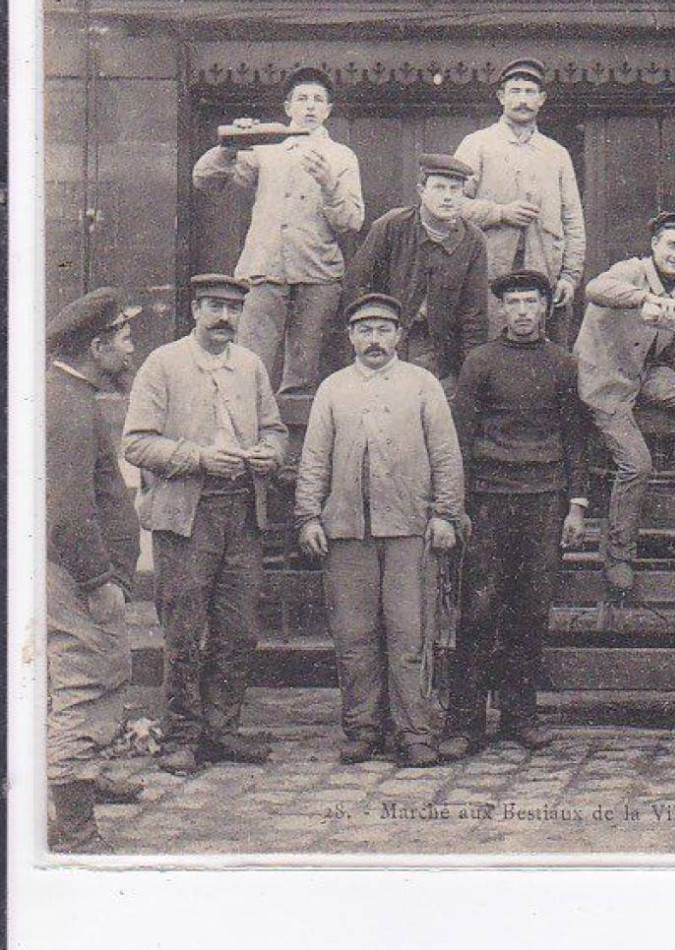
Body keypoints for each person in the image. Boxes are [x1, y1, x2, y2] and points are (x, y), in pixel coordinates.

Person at [122, 275, 288, 776]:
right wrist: (197, 458)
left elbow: (276, 431)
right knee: (185, 630)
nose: (224, 318)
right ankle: (182, 734)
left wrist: (268, 455)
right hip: (187, 516)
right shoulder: (164, 364)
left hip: (242, 512)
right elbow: (136, 442)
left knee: (238, 630)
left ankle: (222, 729)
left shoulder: (251, 366)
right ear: (195, 309)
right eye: (215, 307)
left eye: (234, 310)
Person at [294, 294, 465, 769]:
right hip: (347, 530)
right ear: (350, 337)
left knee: (411, 635)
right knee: (355, 637)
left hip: (410, 528)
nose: (374, 340)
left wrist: (446, 514)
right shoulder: (333, 389)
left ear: (398, 337)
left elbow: (446, 455)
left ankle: (415, 731)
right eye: (365, 330)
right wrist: (309, 516)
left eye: (384, 330)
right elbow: (313, 459)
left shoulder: (421, 385)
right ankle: (363, 728)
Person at [440, 270, 589, 759]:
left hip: (543, 500)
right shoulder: (480, 362)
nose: (523, 311)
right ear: (501, 309)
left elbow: (575, 438)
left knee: (531, 609)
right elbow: (459, 437)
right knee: (479, 609)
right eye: (514, 302)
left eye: (532, 301)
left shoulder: (563, 365)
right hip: (487, 499)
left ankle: (520, 716)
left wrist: (576, 504)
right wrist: (456, 504)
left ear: (546, 306)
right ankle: (464, 722)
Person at [574, 211, 675, 597]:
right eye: (672, 245)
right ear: (655, 246)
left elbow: (665, 352)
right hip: (603, 382)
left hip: (642, 375)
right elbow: (596, 289)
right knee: (637, 464)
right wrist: (645, 298)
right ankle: (618, 554)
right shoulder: (631, 272)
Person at [191, 66, 365, 394]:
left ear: (329, 110)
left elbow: (351, 221)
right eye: (302, 99)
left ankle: (297, 442)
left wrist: (329, 184)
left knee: (304, 374)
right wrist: (230, 146)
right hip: (264, 271)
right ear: (288, 108)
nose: (310, 106)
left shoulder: (341, 156)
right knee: (248, 364)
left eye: (318, 100)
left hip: (317, 275)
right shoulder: (265, 149)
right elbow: (205, 181)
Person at [45, 288, 145, 849]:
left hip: (77, 572)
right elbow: (68, 510)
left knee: (87, 677)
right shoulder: (67, 406)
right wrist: (97, 581)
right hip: (73, 576)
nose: (131, 348)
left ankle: (81, 778)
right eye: (124, 338)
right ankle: (75, 827)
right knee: (83, 678)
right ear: (97, 344)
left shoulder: (70, 394)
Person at [454, 57, 586, 343]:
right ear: (501, 97)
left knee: (543, 353)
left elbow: (572, 220)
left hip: (544, 273)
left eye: (529, 92)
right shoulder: (477, 144)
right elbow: (451, 205)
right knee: (488, 347)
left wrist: (569, 277)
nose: (522, 100)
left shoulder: (556, 154)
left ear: (541, 100)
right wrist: (499, 213)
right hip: (488, 273)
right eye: (515, 91)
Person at [342, 153, 489, 386]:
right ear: (422, 191)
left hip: (441, 353)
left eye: (455, 189)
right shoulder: (392, 226)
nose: (448, 197)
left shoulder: (473, 240)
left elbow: (475, 315)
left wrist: (471, 375)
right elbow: (357, 285)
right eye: (439, 188)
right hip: (388, 342)